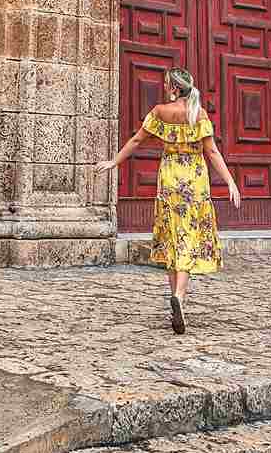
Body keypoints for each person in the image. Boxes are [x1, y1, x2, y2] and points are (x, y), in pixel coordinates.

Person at [97, 68, 241, 334]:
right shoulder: (198, 114)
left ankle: (176, 297)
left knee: (173, 234)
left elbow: (137, 139)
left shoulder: (160, 112)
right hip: (194, 180)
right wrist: (230, 181)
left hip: (169, 179)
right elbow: (212, 151)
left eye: (166, 85)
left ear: (174, 88)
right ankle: (180, 296)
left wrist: (114, 162)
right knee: (188, 236)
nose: (165, 88)